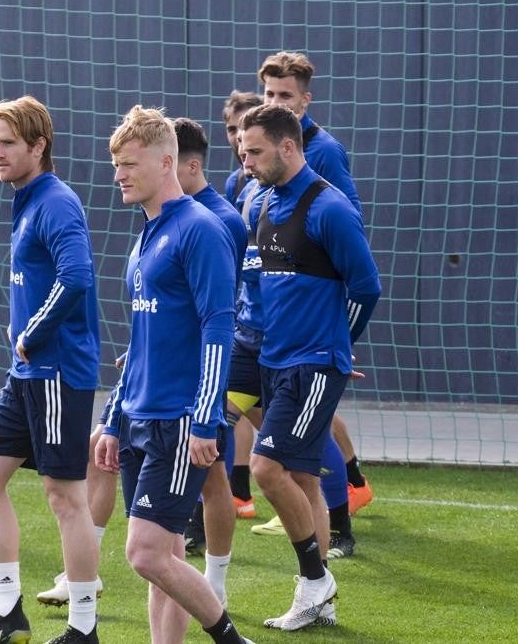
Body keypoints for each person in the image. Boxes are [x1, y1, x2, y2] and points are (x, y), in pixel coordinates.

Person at [93, 105, 252, 644]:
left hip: (180, 421)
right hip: (139, 417)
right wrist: (113, 418)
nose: (119, 174)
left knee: (143, 553)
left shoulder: (201, 230)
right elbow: (138, 342)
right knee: (161, 558)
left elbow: (219, 328)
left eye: (130, 164)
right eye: (116, 164)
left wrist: (205, 417)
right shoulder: (145, 236)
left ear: (168, 162)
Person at [0, 96, 102, 644]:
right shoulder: (26, 198)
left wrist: (30, 334)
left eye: (8, 142)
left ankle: (83, 627)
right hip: (29, 375)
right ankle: (8, 614)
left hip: (59, 371)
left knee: (66, 498)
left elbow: (77, 277)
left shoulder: (56, 201)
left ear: (39, 146)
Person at [239, 103, 381, 631]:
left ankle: (315, 579)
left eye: (254, 151)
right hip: (275, 360)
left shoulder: (330, 208)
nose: (246, 162)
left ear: (288, 146)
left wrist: (338, 346)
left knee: (265, 468)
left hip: (314, 365)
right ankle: (318, 600)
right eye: (242, 152)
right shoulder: (263, 203)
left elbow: (366, 286)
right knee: (300, 476)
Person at [256, 50, 374, 526]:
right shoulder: (261, 160)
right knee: (269, 416)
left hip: (316, 317)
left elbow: (350, 220)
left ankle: (339, 510)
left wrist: (339, 333)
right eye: (268, 92)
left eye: (286, 95)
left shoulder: (321, 153)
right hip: (272, 334)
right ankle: (318, 497)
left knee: (297, 422)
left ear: (305, 100)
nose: (276, 101)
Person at [170, 117, 245, 609]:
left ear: (190, 164)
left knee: (214, 475)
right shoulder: (167, 211)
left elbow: (218, 309)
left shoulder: (221, 220)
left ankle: (214, 580)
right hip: (170, 368)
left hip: (206, 369)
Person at [218, 91, 264, 521]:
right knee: (225, 415)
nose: (238, 141)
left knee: (288, 443)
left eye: (246, 133)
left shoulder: (312, 185)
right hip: (247, 332)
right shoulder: (237, 185)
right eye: (232, 132)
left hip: (284, 337)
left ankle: (345, 500)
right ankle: (234, 496)